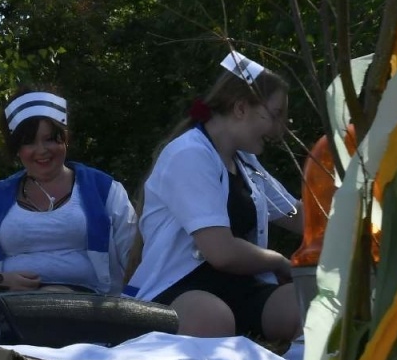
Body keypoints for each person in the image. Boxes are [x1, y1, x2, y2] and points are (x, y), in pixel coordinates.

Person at [126, 52, 303, 341]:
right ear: (241, 108)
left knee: (310, 306)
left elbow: (297, 215)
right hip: (180, 289)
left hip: (243, 291)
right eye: (275, 115)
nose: (281, 129)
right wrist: (280, 262)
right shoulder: (188, 154)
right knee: (212, 318)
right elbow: (221, 252)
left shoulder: (246, 163)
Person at [0, 88, 136, 293]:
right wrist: (0, 279)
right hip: (9, 306)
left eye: (50, 139)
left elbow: (135, 258)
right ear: (17, 149)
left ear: (65, 139)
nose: (42, 150)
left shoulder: (105, 190)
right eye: (29, 142)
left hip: (91, 310)